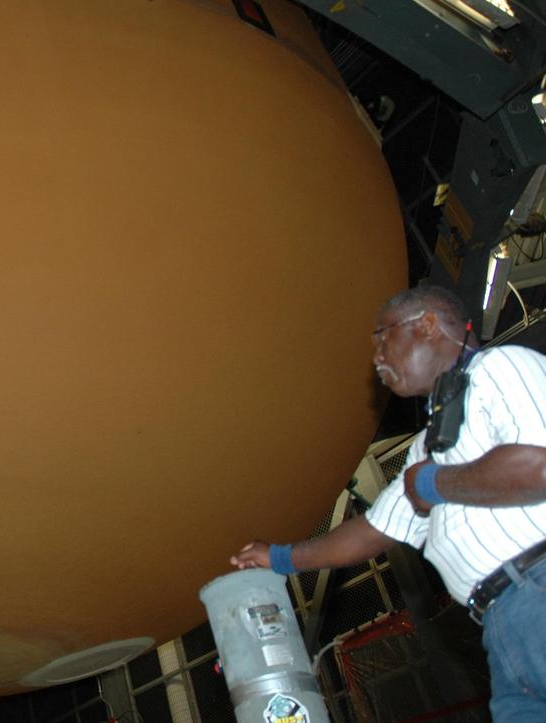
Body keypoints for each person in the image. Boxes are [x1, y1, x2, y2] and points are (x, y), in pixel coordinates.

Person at [230, 284, 546, 719]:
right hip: (501, 626)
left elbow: (540, 469)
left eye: (383, 336)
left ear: (429, 326)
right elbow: (373, 531)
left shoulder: (500, 367)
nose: (377, 356)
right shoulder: (428, 448)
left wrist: (436, 484)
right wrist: (280, 557)